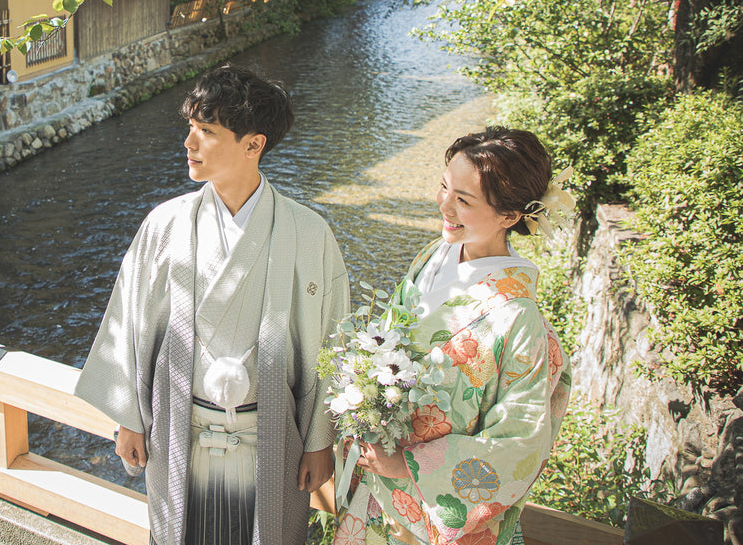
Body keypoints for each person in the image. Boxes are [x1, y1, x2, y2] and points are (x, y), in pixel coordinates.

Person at [75, 64, 351, 545]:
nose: (189, 142)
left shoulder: (308, 233)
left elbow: (332, 339)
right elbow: (130, 319)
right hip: (181, 427)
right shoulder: (165, 224)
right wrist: (129, 418)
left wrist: (319, 440)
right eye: (190, 128)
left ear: (253, 144)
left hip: (271, 436)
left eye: (207, 131)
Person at [334, 127, 572, 545]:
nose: (444, 205)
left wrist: (412, 465)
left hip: (427, 503)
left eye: (463, 200)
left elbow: (519, 441)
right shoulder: (434, 256)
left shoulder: (518, 317)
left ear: (510, 216)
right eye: (444, 187)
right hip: (377, 483)